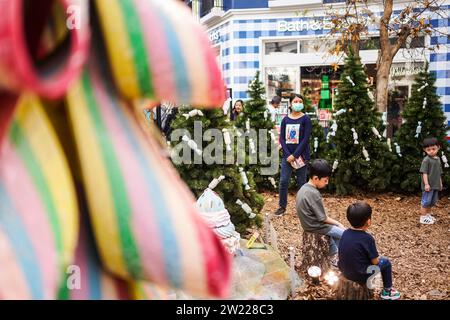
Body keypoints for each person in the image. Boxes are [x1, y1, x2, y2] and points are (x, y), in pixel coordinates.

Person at [338, 202, 401, 300]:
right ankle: (387, 291)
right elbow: (375, 262)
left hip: (344, 271)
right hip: (361, 275)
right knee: (386, 263)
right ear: (368, 221)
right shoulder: (367, 239)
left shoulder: (345, 233)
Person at [296, 159, 345, 266]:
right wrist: (338, 223)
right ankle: (341, 259)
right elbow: (323, 218)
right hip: (316, 227)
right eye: (325, 180)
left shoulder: (303, 188)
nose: (327, 183)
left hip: (308, 225)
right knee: (343, 234)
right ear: (315, 178)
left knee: (334, 235)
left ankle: (334, 255)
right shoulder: (314, 193)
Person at [275, 93, 312, 216]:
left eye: (300, 101)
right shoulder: (285, 119)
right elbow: (282, 139)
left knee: (301, 182)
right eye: (295, 101)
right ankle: (282, 207)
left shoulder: (306, 119)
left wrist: (295, 155)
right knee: (283, 181)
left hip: (301, 156)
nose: (298, 104)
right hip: (287, 157)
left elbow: (305, 139)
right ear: (290, 104)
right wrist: (287, 154)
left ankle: (303, 209)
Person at [419, 137, 443, 225]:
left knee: (432, 201)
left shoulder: (438, 159)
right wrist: (426, 184)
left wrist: (440, 183)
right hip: (428, 186)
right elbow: (424, 173)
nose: (431, 151)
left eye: (433, 149)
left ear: (438, 147)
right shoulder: (426, 160)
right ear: (425, 150)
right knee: (426, 201)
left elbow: (439, 173)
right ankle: (423, 217)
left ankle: (428, 215)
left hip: (435, 185)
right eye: (428, 150)